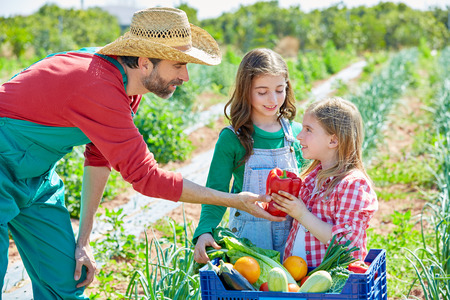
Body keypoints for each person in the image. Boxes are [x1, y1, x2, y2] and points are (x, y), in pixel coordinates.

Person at [0, 8, 282, 299]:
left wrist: (83, 240)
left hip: (36, 177)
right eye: (178, 65)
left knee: (66, 285)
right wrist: (233, 200)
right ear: (145, 62)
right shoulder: (99, 86)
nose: (184, 76)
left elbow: (98, 158)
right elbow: (147, 178)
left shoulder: (126, 87)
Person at [193, 48, 307, 264]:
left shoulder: (297, 134)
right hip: (248, 241)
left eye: (279, 90)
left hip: (295, 237)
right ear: (246, 91)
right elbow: (216, 191)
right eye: (262, 92)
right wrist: (205, 231)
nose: (273, 99)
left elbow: (312, 188)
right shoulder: (232, 138)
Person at [271, 97, 378, 267]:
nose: (299, 136)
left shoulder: (352, 185)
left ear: (333, 141)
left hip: (333, 285)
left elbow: (346, 245)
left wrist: (301, 214)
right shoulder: (312, 178)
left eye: (308, 130)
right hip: (300, 278)